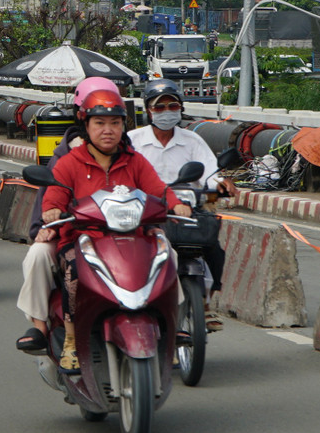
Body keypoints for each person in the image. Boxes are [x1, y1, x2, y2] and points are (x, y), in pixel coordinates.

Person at [16, 83, 190, 373]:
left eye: (115, 123)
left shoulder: (135, 161)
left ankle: (170, 325)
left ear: (124, 126)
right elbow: (54, 196)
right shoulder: (69, 163)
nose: (108, 130)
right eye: (99, 123)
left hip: (133, 238)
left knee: (167, 254)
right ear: (85, 125)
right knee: (60, 266)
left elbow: (158, 191)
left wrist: (176, 204)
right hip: (83, 239)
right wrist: (51, 212)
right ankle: (60, 336)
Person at [127, 78, 234, 326]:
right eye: (160, 107)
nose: (166, 112)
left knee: (212, 243)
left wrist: (220, 185)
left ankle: (206, 299)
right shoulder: (133, 141)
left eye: (172, 107)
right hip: (145, 209)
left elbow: (209, 174)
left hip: (187, 206)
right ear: (148, 110)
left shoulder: (192, 140)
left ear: (181, 109)